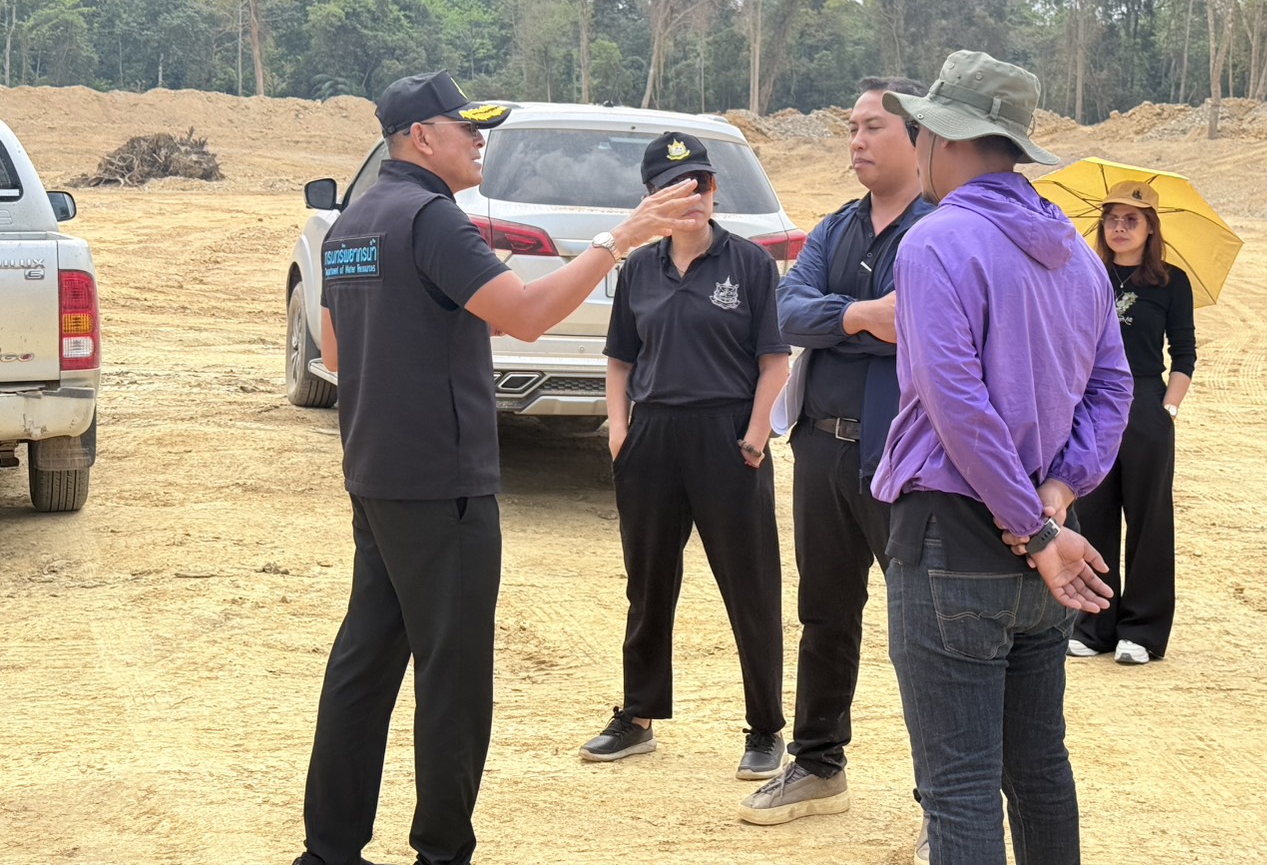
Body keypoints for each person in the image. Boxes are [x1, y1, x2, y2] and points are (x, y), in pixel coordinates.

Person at [295, 71, 701, 865]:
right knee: (453, 681)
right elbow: (525, 317)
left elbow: (336, 352)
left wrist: (434, 329)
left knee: (363, 668)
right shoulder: (432, 217)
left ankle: (329, 849)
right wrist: (616, 239)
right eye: (465, 127)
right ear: (421, 138)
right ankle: (442, 851)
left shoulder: (354, 221)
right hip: (442, 483)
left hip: (377, 473)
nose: (479, 140)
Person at [871, 50, 1133, 865]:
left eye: (919, 132)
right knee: (1038, 768)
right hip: (1045, 544)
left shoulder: (935, 242)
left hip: (955, 538)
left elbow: (955, 405)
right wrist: (1056, 493)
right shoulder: (1076, 254)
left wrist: (1032, 525)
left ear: (945, 137)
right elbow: (1113, 386)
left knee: (958, 787)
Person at [738, 77, 932, 827]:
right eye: (851, 127)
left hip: (903, 457)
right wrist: (862, 316)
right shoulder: (834, 228)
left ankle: (942, 801)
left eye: (872, 126)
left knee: (922, 630)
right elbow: (787, 310)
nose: (855, 140)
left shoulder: (940, 230)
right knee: (823, 613)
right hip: (821, 447)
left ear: (918, 136)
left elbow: (926, 327)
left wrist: (842, 321)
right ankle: (819, 763)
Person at [578, 131, 791, 782]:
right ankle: (638, 715)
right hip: (652, 439)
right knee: (647, 583)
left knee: (750, 585)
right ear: (651, 199)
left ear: (714, 189)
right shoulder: (638, 269)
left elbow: (774, 361)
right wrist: (620, 430)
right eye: (673, 188)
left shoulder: (749, 264)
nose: (690, 197)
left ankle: (765, 729)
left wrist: (755, 434)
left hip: (728, 439)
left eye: (699, 184)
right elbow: (620, 359)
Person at [1067, 181, 1196, 665]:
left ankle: (1142, 631)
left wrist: (1167, 409)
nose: (1119, 228)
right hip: (1091, 402)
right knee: (1092, 513)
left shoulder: (1170, 282)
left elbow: (1184, 354)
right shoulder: (1085, 273)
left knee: (1149, 519)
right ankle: (1093, 625)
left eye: (1131, 220)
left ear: (1150, 228)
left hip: (1144, 404)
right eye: (1112, 219)